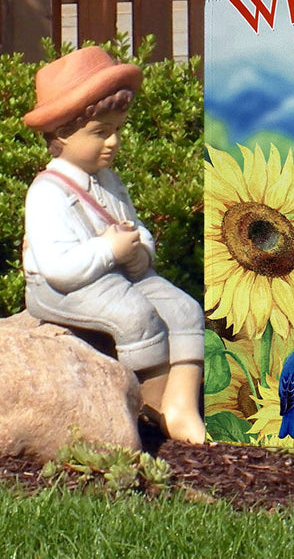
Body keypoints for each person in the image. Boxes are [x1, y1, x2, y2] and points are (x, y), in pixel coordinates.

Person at [22, 46, 205, 444]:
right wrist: (108, 250)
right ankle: (153, 408)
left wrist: (141, 251)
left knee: (185, 309)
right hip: (63, 287)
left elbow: (135, 226)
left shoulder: (110, 182)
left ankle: (181, 405)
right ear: (60, 134)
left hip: (121, 269)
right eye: (100, 132)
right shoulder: (48, 193)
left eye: (117, 129)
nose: (113, 142)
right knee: (135, 314)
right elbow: (57, 267)